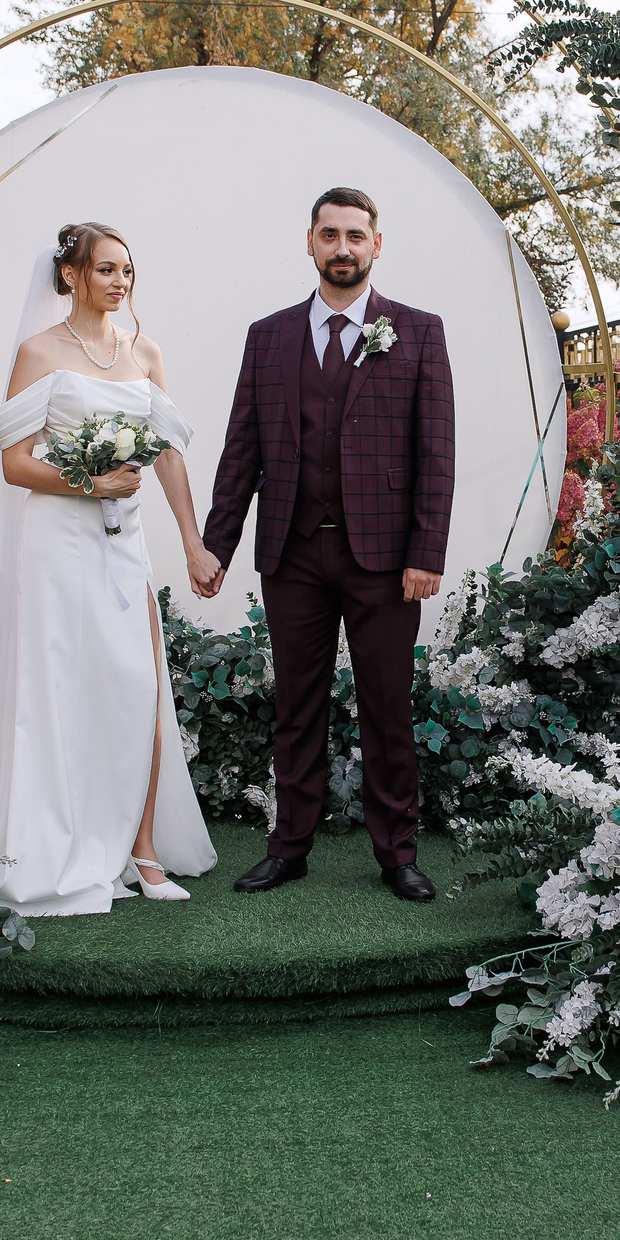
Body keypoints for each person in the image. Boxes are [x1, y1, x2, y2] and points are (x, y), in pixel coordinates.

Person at [0, 223, 221, 913]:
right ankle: (51, 841)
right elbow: (15, 461)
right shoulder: (38, 353)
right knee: (56, 687)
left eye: (128, 271)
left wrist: (192, 541)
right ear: (72, 275)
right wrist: (92, 483)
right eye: (107, 269)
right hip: (56, 541)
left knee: (140, 684)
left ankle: (142, 849)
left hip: (123, 541)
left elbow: (169, 453)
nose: (120, 281)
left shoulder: (145, 351)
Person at [196, 186, 456, 901]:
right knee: (297, 705)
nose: (343, 247)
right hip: (293, 552)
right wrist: (217, 543)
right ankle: (290, 846)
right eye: (330, 234)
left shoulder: (418, 331)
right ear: (309, 242)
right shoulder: (267, 335)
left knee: (386, 705)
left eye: (356, 236)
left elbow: (436, 451)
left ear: (377, 244)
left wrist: (426, 551)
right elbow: (240, 449)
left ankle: (397, 852)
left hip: (385, 560)